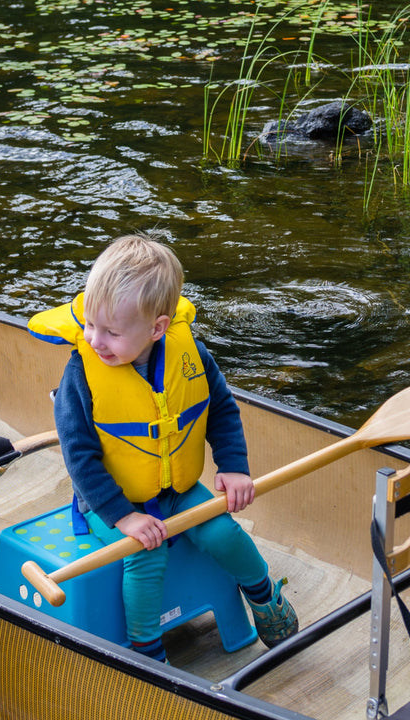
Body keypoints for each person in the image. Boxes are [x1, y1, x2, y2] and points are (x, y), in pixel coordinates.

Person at [28, 234, 298, 663]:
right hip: (111, 502)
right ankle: (148, 654)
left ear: (157, 328)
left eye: (112, 332)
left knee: (223, 531)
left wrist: (233, 465)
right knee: (145, 558)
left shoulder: (191, 355)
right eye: (90, 325)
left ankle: (262, 596)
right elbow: (78, 458)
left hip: (178, 490)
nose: (96, 340)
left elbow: (221, 409)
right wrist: (124, 517)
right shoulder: (82, 371)